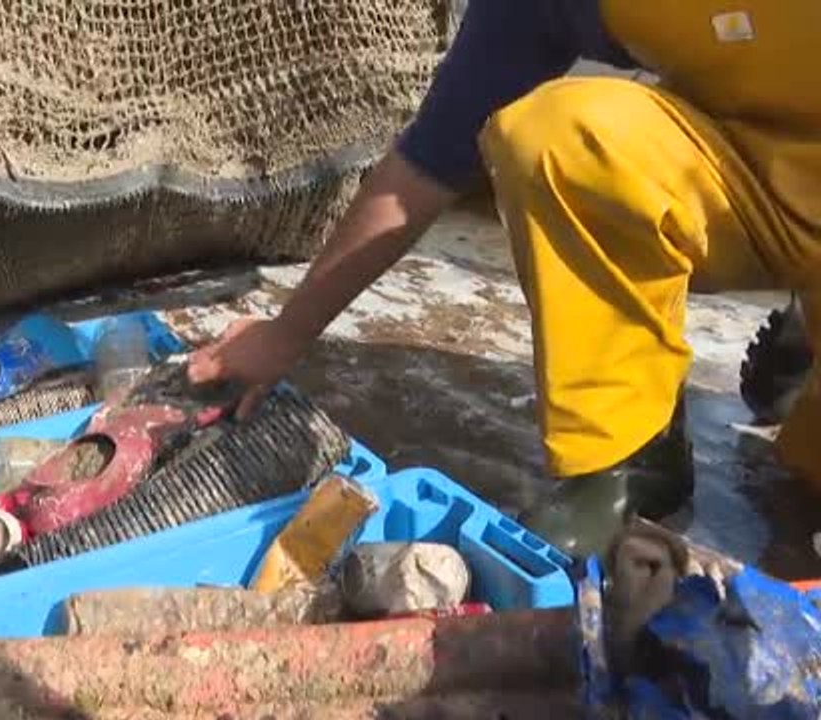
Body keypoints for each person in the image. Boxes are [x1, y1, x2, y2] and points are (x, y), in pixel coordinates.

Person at [187, 0, 821, 558]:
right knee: (558, 138)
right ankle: (629, 456)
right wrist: (287, 333)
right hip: (753, 185)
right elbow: (427, 165)